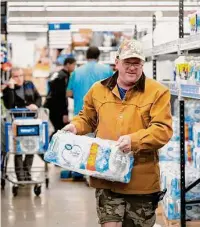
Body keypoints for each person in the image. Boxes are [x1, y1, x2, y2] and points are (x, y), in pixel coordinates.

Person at [63, 39, 173, 227]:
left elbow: (163, 130)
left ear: (143, 64)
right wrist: (75, 127)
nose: (132, 68)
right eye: (127, 62)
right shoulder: (98, 90)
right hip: (106, 176)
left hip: (140, 181)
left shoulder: (158, 92)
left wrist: (135, 140)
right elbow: (87, 118)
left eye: (136, 63)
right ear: (117, 62)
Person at [2, 67, 42, 181]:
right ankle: (20, 175)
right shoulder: (8, 89)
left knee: (31, 147)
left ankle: (27, 172)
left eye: (20, 75)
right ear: (11, 77)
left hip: (31, 121)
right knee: (18, 149)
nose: (19, 78)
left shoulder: (29, 84)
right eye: (15, 76)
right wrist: (11, 88)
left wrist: (36, 105)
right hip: (17, 123)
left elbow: (38, 97)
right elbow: (9, 105)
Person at [66, 46, 113, 116]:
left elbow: (69, 93)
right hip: (101, 114)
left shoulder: (75, 72)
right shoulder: (107, 70)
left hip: (81, 113)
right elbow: (113, 91)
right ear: (98, 56)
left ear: (86, 56)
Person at [44, 57, 76, 137]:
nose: (74, 67)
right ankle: (51, 145)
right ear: (68, 64)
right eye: (73, 65)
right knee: (61, 130)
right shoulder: (64, 77)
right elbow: (62, 96)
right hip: (57, 108)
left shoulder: (57, 74)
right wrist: (64, 113)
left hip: (49, 105)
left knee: (59, 129)